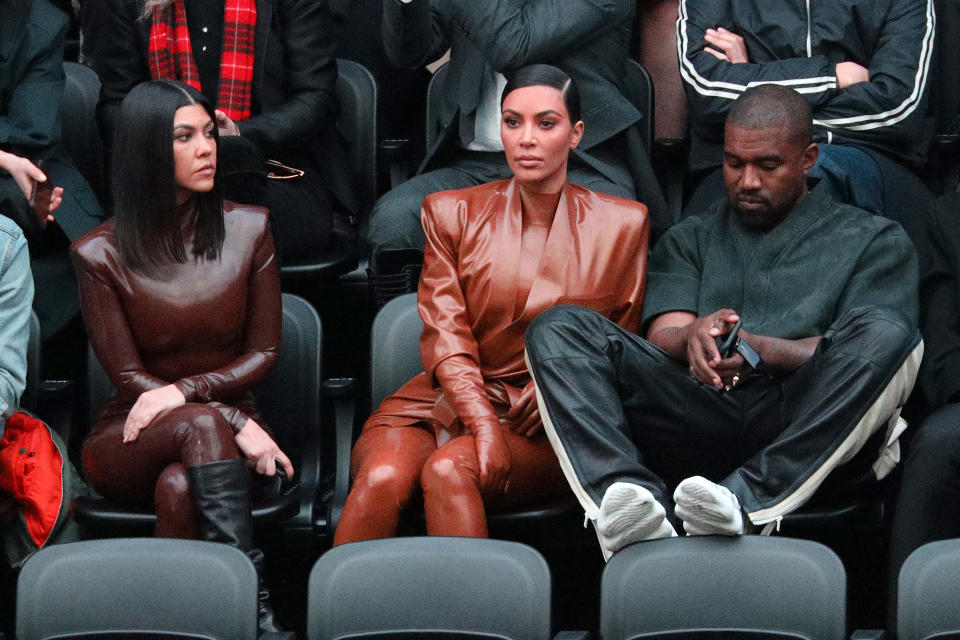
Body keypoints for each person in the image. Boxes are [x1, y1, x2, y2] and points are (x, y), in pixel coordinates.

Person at [524, 84, 922, 560]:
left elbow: (866, 352)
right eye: (734, 163)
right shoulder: (693, 235)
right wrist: (693, 335)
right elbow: (663, 333)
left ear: (808, 158)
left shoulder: (873, 239)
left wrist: (762, 349)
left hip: (803, 414)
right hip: (697, 407)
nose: (747, 181)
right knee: (559, 328)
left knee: (890, 333)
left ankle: (748, 502)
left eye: (767, 166)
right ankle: (627, 503)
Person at [334, 65, 650, 545]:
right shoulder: (450, 212)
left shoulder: (623, 225)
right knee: (380, 480)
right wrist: (481, 422)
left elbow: (621, 349)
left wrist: (554, 394)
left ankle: (472, 618)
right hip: (438, 403)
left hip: (550, 421)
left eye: (546, 123)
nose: (526, 139)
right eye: (512, 121)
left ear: (576, 134)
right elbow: (445, 334)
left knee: (448, 469)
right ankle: (342, 616)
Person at [70, 80, 293, 638]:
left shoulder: (250, 228)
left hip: (217, 433)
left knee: (178, 486)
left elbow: (264, 352)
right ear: (148, 149)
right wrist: (233, 418)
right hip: (130, 434)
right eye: (185, 137)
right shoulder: (98, 253)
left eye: (209, 133)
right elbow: (125, 379)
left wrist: (191, 397)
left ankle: (185, 624)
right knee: (195, 425)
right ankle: (257, 613)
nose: (206, 148)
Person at [366, 0, 669, 274]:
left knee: (604, 222)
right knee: (396, 219)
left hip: (575, 166)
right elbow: (410, 53)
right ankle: (406, 332)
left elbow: (515, 44)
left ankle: (568, 336)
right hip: (472, 166)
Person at [80, 0, 357, 264]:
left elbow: (316, 99)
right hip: (164, 178)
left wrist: (237, 135)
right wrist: (171, 141)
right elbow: (117, 107)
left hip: (276, 176)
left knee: (232, 156)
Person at [677, 0, 935, 249]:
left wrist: (753, 90)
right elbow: (707, 91)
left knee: (816, 173)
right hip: (739, 160)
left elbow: (898, 107)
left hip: (869, 153)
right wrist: (833, 77)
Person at [2, 0, 105, 338]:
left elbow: (34, 131)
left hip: (30, 165)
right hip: (9, 164)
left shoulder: (40, 21)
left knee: (89, 262)